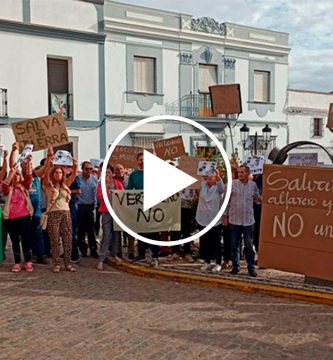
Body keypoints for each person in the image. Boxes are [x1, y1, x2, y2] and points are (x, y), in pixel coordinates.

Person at [224, 165, 262, 277]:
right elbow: (225, 202)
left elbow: (256, 198)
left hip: (248, 221)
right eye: (239, 172)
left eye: (242, 172)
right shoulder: (231, 185)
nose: (240, 174)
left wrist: (263, 199)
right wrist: (225, 216)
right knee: (235, 245)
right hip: (234, 219)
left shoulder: (253, 185)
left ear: (247, 173)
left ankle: (251, 268)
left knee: (249, 246)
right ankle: (236, 267)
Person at [43, 154, 78, 273]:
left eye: (60, 172)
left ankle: (67, 263)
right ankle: (56, 263)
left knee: (68, 238)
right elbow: (46, 175)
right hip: (53, 213)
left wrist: (75, 166)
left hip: (66, 212)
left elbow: (73, 176)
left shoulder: (65, 185)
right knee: (54, 239)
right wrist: (49, 162)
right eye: (56, 172)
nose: (58, 174)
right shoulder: (48, 185)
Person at [126, 152, 160, 266]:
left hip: (154, 208)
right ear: (137, 161)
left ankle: (155, 255)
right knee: (141, 231)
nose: (143, 162)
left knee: (154, 232)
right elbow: (129, 190)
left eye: (145, 159)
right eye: (140, 159)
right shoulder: (133, 175)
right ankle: (141, 254)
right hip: (140, 208)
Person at [2, 157, 34, 273]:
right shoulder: (8, 189)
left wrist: (29, 163)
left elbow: (29, 178)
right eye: (15, 175)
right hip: (11, 218)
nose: (17, 177)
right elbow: (5, 183)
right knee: (15, 241)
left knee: (26, 240)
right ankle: (17, 262)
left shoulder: (23, 187)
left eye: (18, 175)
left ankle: (28, 261)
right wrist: (12, 172)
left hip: (24, 217)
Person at [196, 169, 225, 273]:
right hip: (203, 218)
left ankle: (218, 262)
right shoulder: (203, 185)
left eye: (211, 176)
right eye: (207, 175)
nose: (209, 177)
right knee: (205, 241)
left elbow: (223, 189)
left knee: (216, 242)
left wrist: (218, 176)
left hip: (215, 219)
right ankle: (207, 261)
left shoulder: (218, 187)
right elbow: (195, 181)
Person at [96, 165, 124, 271]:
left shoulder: (118, 184)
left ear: (112, 173)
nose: (106, 174)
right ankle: (101, 258)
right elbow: (100, 197)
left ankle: (114, 254)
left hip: (116, 212)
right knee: (107, 234)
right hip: (106, 211)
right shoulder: (100, 185)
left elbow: (122, 196)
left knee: (117, 234)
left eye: (108, 172)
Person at [77, 161, 99, 258]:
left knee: (91, 230)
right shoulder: (77, 179)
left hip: (90, 207)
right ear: (82, 169)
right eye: (87, 169)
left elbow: (96, 194)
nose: (89, 171)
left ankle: (93, 249)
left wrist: (95, 207)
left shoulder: (94, 180)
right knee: (81, 230)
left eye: (91, 169)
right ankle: (83, 249)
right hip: (80, 207)